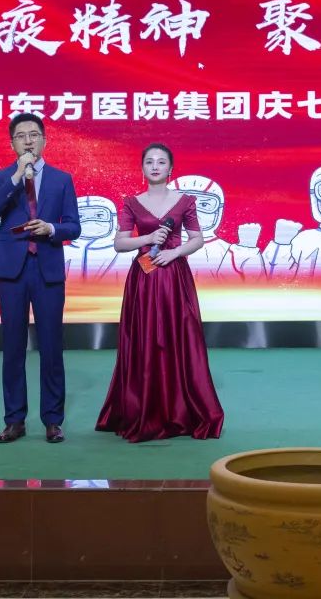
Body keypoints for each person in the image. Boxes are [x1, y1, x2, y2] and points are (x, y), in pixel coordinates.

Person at [96, 143, 224, 442]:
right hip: (143, 279)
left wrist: (175, 252)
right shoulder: (131, 203)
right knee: (145, 340)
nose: (155, 166)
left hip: (174, 278)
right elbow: (120, 243)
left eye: (161, 162)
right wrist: (149, 238)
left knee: (178, 339)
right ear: (142, 168)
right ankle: (142, 409)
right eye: (150, 162)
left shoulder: (185, 201)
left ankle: (179, 410)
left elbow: (197, 239)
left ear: (170, 169)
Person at [0, 113, 80, 444]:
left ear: (45, 140)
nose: (28, 141)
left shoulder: (61, 179)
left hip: (47, 268)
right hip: (12, 270)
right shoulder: (0, 177)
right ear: (12, 143)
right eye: (21, 136)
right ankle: (14, 420)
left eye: (34, 135)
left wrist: (51, 228)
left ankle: (53, 420)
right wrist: (16, 176)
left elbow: (74, 225)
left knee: (51, 346)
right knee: (13, 346)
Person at [168, 174, 265, 281]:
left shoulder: (227, 251)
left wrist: (247, 252)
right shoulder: (157, 245)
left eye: (204, 205)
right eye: (181, 204)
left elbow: (256, 285)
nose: (193, 211)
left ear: (218, 211)